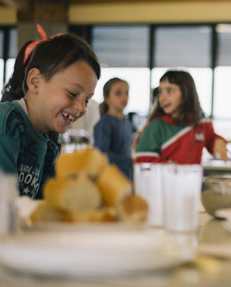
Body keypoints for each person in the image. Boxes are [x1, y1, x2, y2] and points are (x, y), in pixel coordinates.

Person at [0, 33, 100, 198]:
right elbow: (5, 205)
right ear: (35, 82)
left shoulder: (49, 147)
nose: (81, 108)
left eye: (87, 100)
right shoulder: (7, 124)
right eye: (72, 93)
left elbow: (45, 206)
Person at [135, 70, 228, 163]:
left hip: (192, 177)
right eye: (160, 91)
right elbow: (143, 160)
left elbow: (211, 138)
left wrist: (217, 142)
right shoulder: (157, 126)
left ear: (186, 93)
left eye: (169, 91)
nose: (162, 98)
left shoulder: (202, 122)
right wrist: (170, 167)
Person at [93, 78, 134, 180]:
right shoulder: (104, 124)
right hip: (110, 180)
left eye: (126, 93)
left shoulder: (127, 122)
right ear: (106, 98)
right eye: (118, 93)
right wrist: (130, 161)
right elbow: (101, 155)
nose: (124, 97)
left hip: (126, 177)